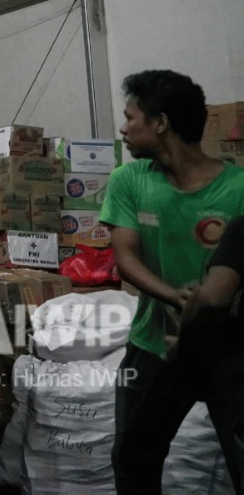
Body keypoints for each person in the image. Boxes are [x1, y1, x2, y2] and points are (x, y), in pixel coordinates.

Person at [101, 70, 244, 492]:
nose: (124, 128)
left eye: (131, 118)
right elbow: (126, 258)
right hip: (154, 345)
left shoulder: (238, 189)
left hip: (230, 351)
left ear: (160, 123)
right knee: (133, 459)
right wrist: (178, 298)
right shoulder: (129, 181)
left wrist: (209, 312)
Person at [117, 213, 244, 492]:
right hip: (178, 349)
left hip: (226, 364)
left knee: (138, 452)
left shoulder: (242, 228)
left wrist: (186, 343)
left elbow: (209, 299)